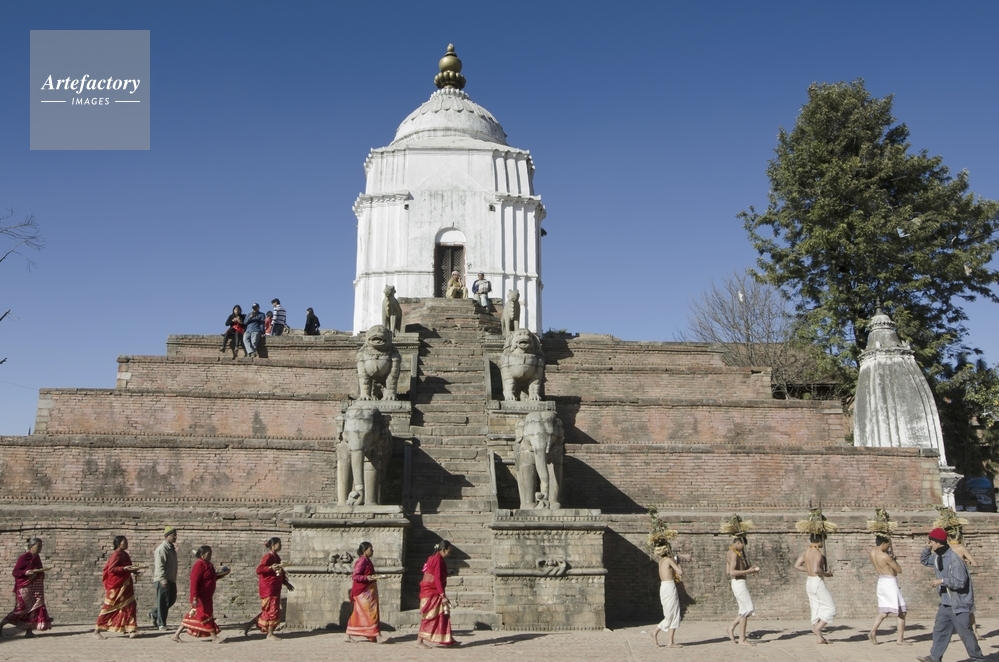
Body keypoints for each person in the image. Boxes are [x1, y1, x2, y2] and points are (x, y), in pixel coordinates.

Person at [917, 527, 985, 662]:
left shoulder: (954, 559)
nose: (930, 543)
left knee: (965, 633)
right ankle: (934, 657)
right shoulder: (937, 556)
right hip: (946, 603)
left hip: (959, 603)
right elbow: (924, 560)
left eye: (932, 542)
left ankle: (977, 658)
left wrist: (942, 581)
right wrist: (927, 548)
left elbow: (960, 582)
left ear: (938, 542)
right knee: (940, 629)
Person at [172, 545, 229, 643]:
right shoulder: (199, 565)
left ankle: (176, 635)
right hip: (200, 597)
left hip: (207, 596)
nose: (210, 555)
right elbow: (194, 582)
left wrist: (222, 574)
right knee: (205, 615)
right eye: (208, 553)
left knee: (193, 615)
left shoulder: (209, 565)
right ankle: (214, 637)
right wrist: (194, 597)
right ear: (202, 555)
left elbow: (211, 577)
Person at [0, 538, 53, 636]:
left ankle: (29, 631)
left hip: (35, 587)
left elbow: (39, 569)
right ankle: (2, 623)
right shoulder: (24, 557)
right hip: (24, 586)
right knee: (22, 608)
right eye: (38, 546)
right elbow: (15, 572)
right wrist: (26, 572)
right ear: (31, 546)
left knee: (35, 608)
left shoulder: (36, 557)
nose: (40, 548)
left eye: (41, 546)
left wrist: (39, 572)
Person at [244, 537, 294, 640]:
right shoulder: (268, 556)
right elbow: (259, 570)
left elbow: (280, 571)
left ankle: (250, 624)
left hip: (275, 587)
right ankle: (270, 634)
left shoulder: (276, 557)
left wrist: (286, 582)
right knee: (272, 610)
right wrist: (270, 568)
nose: (281, 546)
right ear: (274, 545)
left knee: (269, 610)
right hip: (268, 588)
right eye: (279, 544)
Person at [95, 535, 141, 639]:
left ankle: (131, 629)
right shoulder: (116, 555)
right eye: (125, 542)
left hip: (126, 585)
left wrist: (133, 570)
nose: (127, 543)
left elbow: (128, 567)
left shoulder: (125, 554)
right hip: (116, 585)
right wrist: (124, 568)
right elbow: (111, 569)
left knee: (130, 605)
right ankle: (97, 630)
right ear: (118, 544)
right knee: (110, 608)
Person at [794, 534, 836, 644]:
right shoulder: (817, 553)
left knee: (815, 608)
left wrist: (809, 570)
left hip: (809, 582)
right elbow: (816, 569)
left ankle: (819, 638)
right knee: (831, 608)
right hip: (817, 582)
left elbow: (797, 565)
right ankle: (817, 629)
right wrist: (826, 573)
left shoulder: (806, 552)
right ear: (819, 540)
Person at [867, 535, 908, 645]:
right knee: (902, 611)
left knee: (884, 611)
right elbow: (898, 570)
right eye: (888, 545)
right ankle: (900, 639)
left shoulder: (872, 553)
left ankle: (873, 631)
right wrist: (893, 560)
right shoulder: (885, 556)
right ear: (883, 543)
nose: (889, 547)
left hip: (881, 582)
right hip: (890, 583)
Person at [417, 540, 457, 647]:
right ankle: (419, 641)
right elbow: (437, 578)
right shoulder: (437, 560)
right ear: (443, 550)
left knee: (443, 614)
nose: (449, 554)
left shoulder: (436, 558)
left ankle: (447, 638)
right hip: (432, 591)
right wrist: (442, 595)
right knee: (430, 615)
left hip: (435, 590)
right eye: (449, 551)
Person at [345, 541, 382, 643]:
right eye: (370, 549)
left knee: (360, 613)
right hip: (362, 592)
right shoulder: (362, 561)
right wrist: (366, 578)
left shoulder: (367, 560)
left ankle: (351, 634)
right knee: (370, 613)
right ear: (364, 550)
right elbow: (355, 576)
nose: (372, 551)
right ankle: (377, 635)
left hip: (368, 591)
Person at [725, 536, 759, 646]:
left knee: (744, 609)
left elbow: (728, 571)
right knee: (748, 609)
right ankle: (741, 638)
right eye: (743, 545)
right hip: (738, 583)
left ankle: (732, 629)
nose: (743, 548)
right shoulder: (734, 554)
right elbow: (731, 572)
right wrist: (747, 571)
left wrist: (747, 569)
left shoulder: (729, 553)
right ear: (738, 542)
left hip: (737, 583)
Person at [651, 543, 683, 648]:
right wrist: (678, 563)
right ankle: (656, 631)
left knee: (672, 613)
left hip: (663, 586)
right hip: (669, 587)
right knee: (672, 614)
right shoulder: (669, 560)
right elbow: (680, 572)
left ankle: (670, 641)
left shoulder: (661, 561)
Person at [149, 526, 178, 632]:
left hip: (171, 579)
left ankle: (154, 613)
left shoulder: (171, 548)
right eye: (173, 535)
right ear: (167, 536)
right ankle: (161, 624)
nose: (175, 537)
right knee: (163, 602)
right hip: (163, 579)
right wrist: (162, 579)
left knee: (171, 599)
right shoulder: (162, 549)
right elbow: (160, 565)